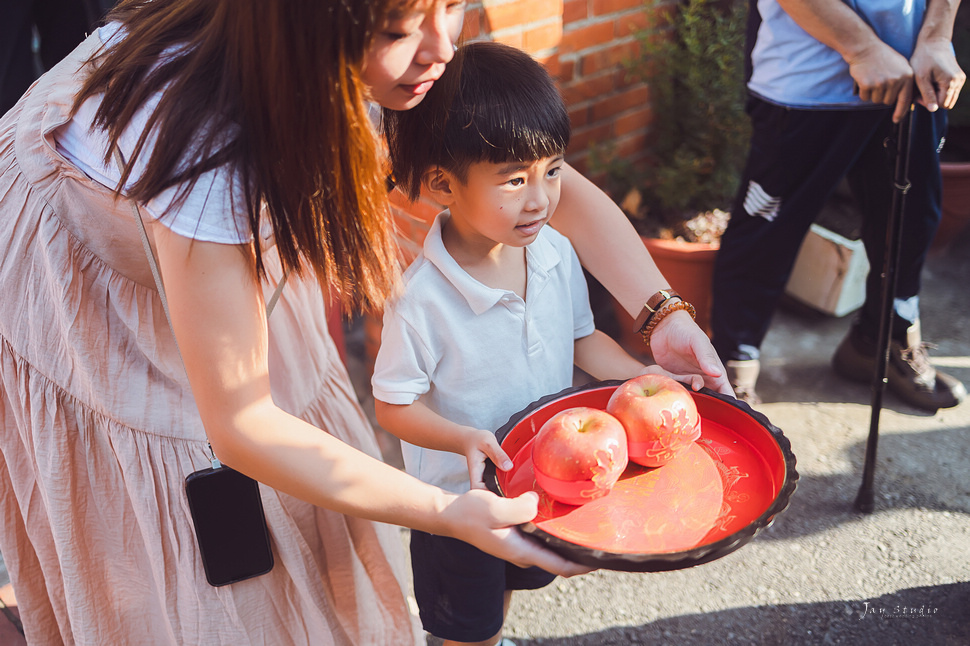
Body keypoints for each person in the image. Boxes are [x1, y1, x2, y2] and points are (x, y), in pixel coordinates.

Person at [0, 0, 729, 643]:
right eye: (400, 27)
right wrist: (447, 511)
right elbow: (244, 424)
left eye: (452, 4)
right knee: (183, 571)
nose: (443, 47)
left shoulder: (372, 60)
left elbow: (541, 178)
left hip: (195, 257)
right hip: (84, 295)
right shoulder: (210, 155)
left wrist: (660, 314)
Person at [373, 41, 705, 646]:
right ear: (444, 184)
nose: (541, 198)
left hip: (536, 483)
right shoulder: (420, 300)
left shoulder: (552, 250)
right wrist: (460, 438)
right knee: (464, 630)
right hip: (457, 505)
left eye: (553, 171)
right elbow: (392, 405)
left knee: (502, 600)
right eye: (514, 180)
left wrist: (641, 380)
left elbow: (583, 338)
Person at [711, 0, 967, 410]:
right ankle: (728, 371)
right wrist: (862, 48)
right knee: (765, 234)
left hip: (916, 75)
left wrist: (937, 35)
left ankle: (881, 343)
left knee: (910, 225)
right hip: (804, 84)